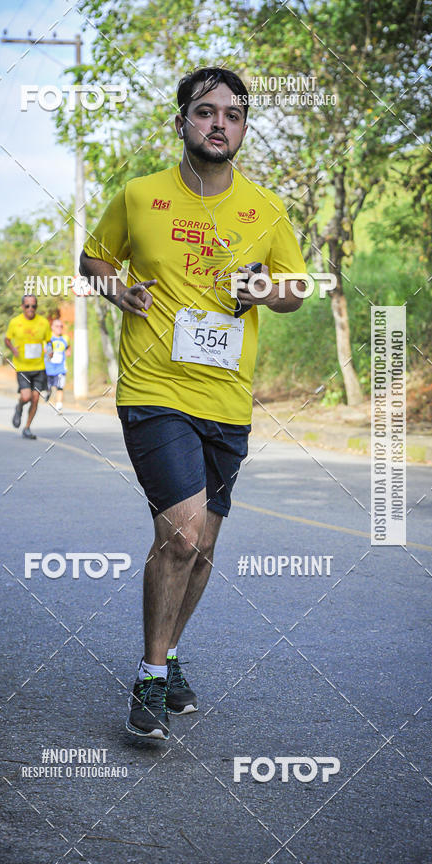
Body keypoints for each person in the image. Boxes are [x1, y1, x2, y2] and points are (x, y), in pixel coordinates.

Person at [80, 66, 307, 739]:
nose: (219, 124)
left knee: (202, 546)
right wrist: (117, 290)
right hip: (154, 389)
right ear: (181, 122)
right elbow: (94, 260)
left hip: (228, 397)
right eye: (206, 112)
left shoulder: (266, 209)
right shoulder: (139, 195)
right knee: (179, 532)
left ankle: (169, 654)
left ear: (243, 130)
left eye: (233, 115)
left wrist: (266, 290)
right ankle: (150, 680)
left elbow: (295, 289)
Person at [4, 294, 51, 439]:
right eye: (27, 306)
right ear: (22, 307)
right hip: (22, 367)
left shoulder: (43, 322)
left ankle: (27, 427)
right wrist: (13, 349)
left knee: (35, 399)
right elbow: (7, 339)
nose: (31, 309)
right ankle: (19, 406)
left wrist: (50, 350)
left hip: (39, 367)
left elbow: (49, 340)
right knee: (26, 397)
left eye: (33, 306)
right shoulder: (15, 322)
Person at [44, 319, 70, 412]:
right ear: (52, 327)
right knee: (48, 386)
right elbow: (43, 349)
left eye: (61, 326)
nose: (59, 328)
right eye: (57, 326)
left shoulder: (65, 338)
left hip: (60, 368)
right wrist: (48, 352)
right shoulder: (48, 337)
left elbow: (68, 347)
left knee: (60, 387)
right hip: (49, 367)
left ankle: (59, 406)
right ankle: (48, 392)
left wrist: (68, 351)